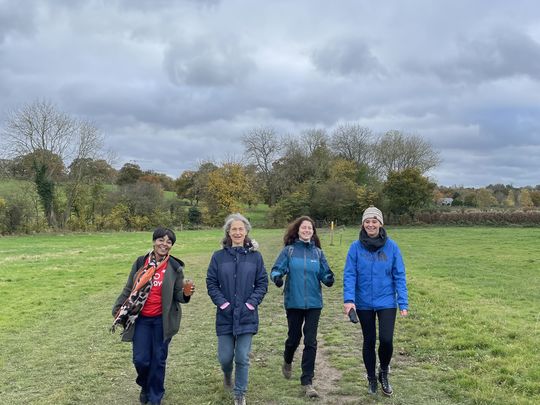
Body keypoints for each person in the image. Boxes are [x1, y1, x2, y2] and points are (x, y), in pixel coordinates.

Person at [111, 227, 194, 405]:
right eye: (161, 240)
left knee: (158, 359)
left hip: (162, 321)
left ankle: (155, 397)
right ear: (154, 241)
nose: (164, 244)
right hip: (140, 319)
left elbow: (178, 295)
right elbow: (129, 287)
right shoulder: (141, 262)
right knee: (140, 359)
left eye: (169, 241)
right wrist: (118, 307)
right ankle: (145, 385)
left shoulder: (174, 267)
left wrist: (186, 293)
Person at [343, 206, 408, 396]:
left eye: (374, 221)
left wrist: (403, 302)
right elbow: (349, 275)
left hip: (387, 301)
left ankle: (384, 373)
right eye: (367, 221)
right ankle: (371, 377)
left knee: (386, 340)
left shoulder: (392, 247)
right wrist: (349, 300)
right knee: (369, 341)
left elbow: (399, 275)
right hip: (363, 302)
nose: (371, 224)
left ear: (381, 223)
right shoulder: (355, 248)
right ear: (363, 224)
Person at [206, 213, 268, 405]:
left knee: (241, 357)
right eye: (234, 229)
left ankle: (240, 394)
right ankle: (227, 375)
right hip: (225, 315)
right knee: (225, 358)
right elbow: (211, 282)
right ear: (228, 232)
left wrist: (251, 303)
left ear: (246, 231)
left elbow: (262, 283)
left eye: (241, 229)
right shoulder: (218, 257)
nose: (238, 232)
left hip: (246, 315)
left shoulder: (255, 257)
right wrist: (223, 303)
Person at [270, 216, 335, 399]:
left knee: (311, 341)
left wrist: (329, 278)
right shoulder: (289, 251)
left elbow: (325, 273)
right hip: (294, 302)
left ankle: (307, 382)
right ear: (297, 231)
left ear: (313, 232)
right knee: (294, 337)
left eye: (310, 228)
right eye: (303, 228)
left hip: (314, 303)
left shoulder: (318, 254)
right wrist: (277, 277)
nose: (306, 231)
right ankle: (288, 359)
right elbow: (276, 269)